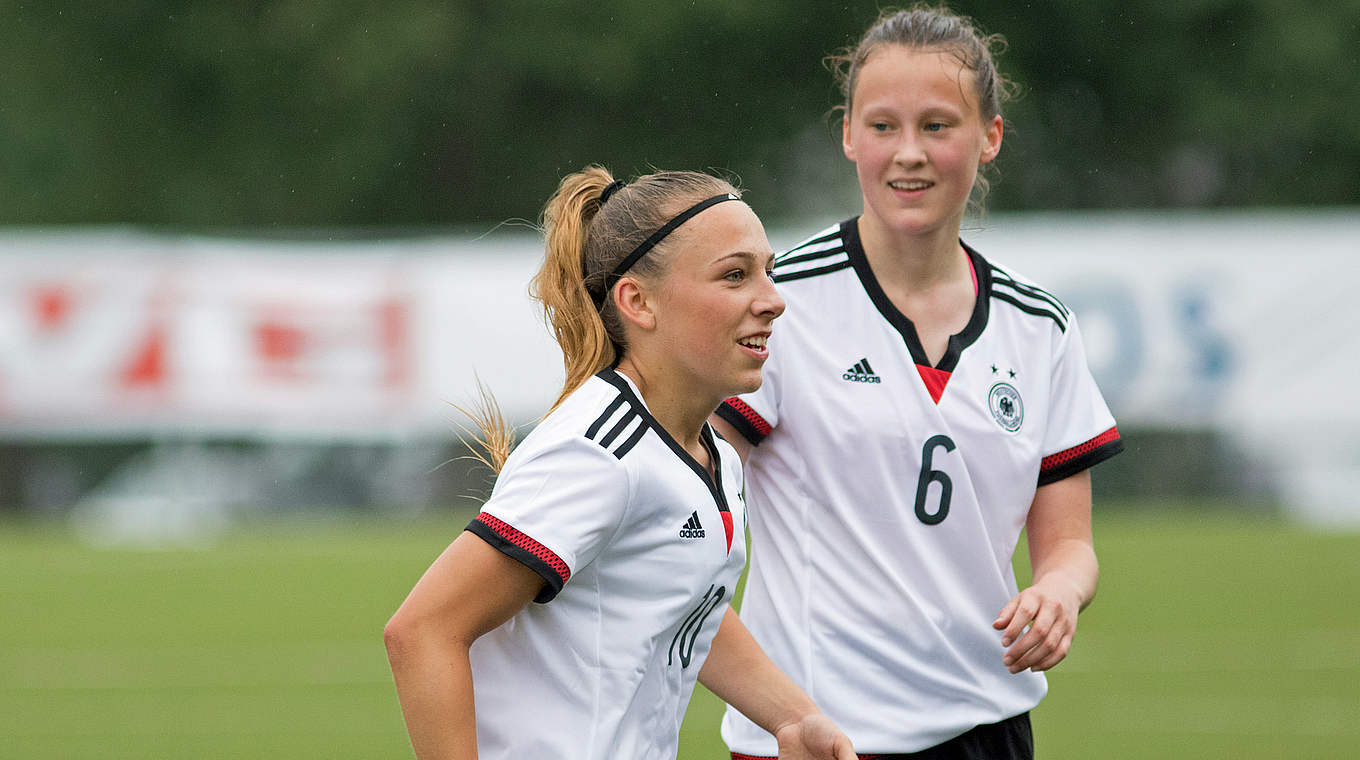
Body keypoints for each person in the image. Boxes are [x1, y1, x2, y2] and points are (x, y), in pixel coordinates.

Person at [711, 6, 1124, 759]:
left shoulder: (1040, 327)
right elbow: (690, 515)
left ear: (989, 137)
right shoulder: (776, 304)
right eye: (882, 127)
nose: (909, 154)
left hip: (986, 728)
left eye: (938, 126)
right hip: (813, 734)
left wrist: (1059, 593)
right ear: (847, 135)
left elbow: (1070, 546)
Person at [383, 166, 855, 760]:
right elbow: (422, 632)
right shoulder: (597, 452)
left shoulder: (712, 455)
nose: (773, 300)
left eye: (769, 272)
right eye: (735, 275)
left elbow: (680, 599)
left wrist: (794, 718)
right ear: (638, 301)